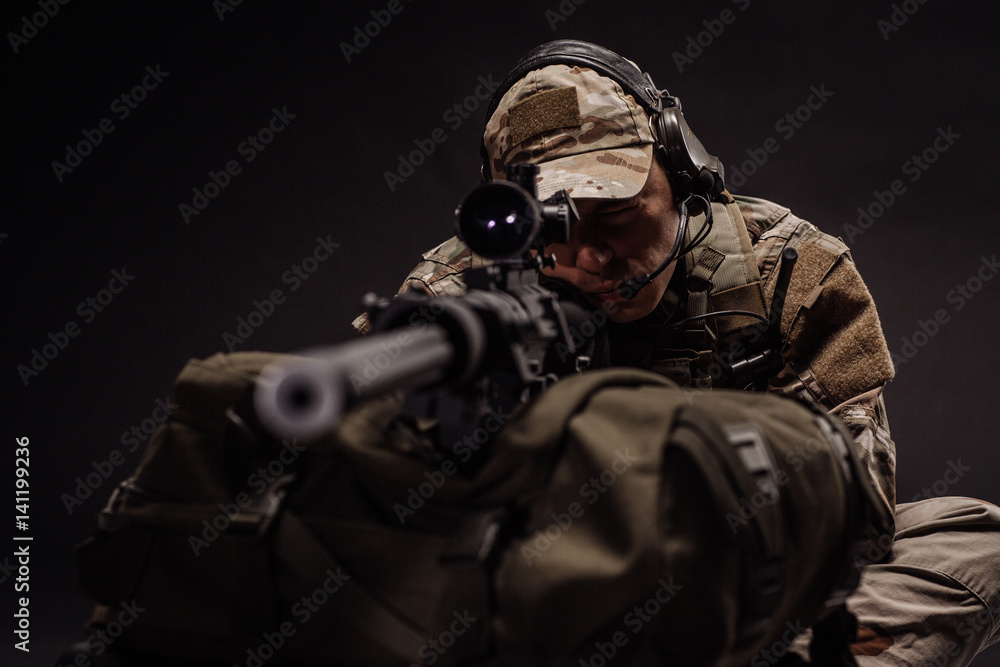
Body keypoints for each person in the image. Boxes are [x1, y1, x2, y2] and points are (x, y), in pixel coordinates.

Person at [354, 40, 1000, 665]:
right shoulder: (453, 305)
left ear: (680, 172)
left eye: (615, 214)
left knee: (972, 538)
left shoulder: (783, 269)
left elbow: (855, 508)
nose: (590, 257)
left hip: (736, 580)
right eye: (553, 225)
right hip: (536, 596)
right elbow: (379, 526)